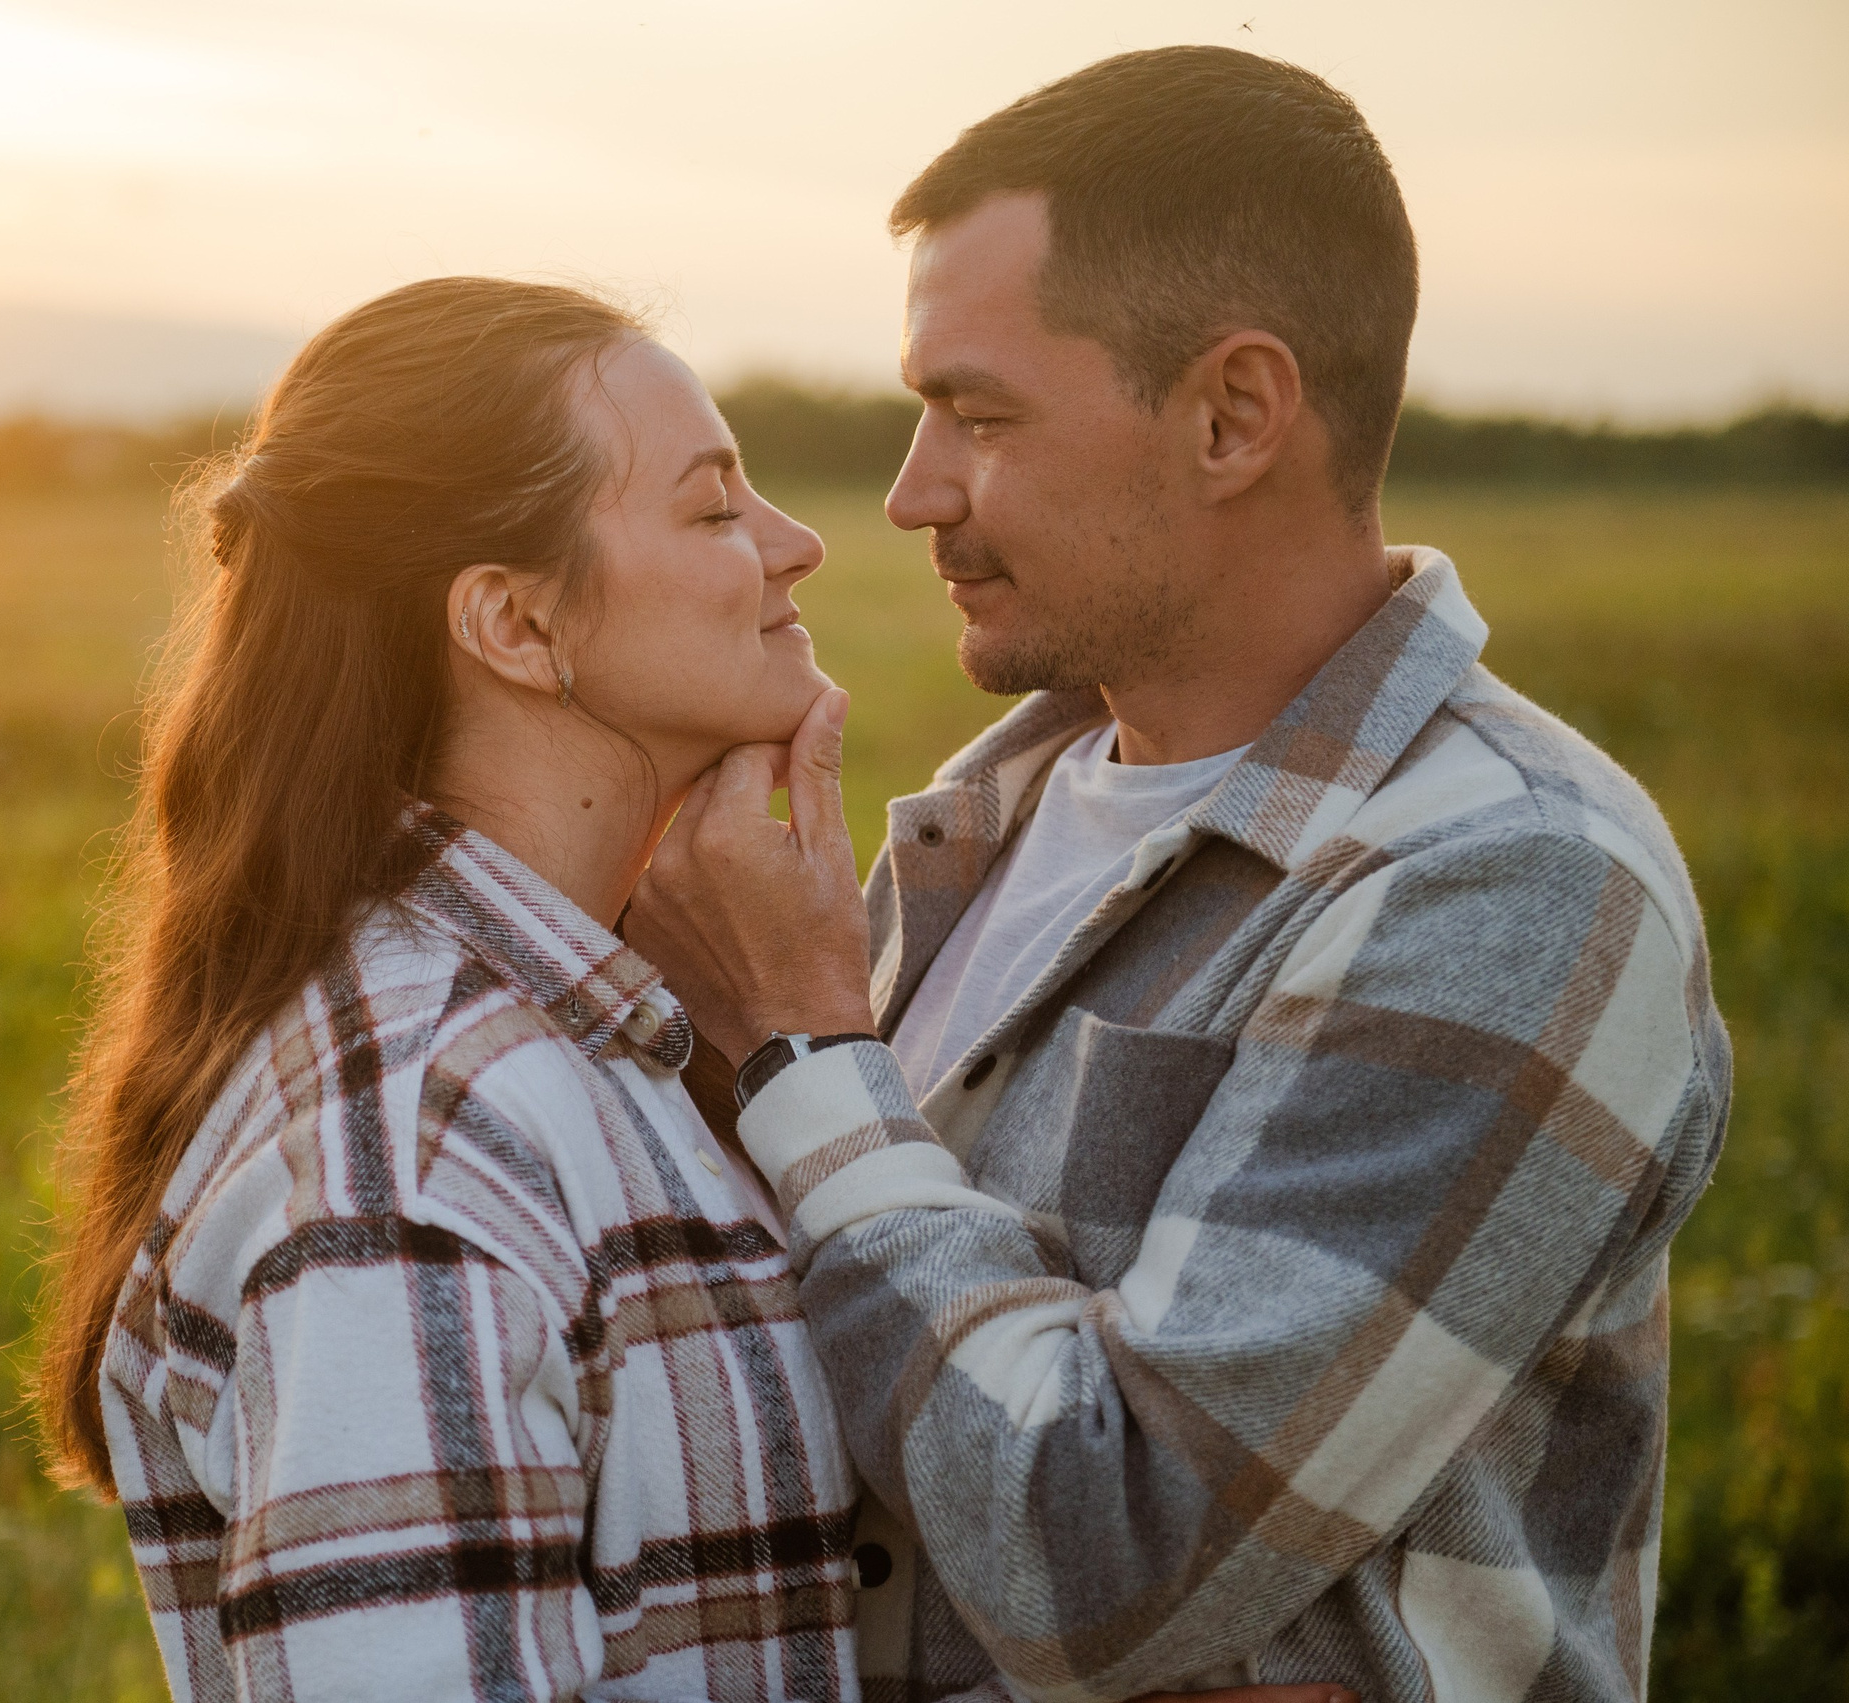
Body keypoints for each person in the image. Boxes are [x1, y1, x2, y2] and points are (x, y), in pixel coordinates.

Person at [35, 277, 1356, 1703]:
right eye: (716, 510)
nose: (798, 546)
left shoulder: (586, 1042)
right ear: (516, 626)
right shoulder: (412, 1167)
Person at [627, 46, 1731, 1703]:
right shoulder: (992, 815)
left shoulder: (1513, 889)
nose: (912, 492)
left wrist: (803, 1051)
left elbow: (1105, 1567)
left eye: (980, 414)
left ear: (1233, 414)